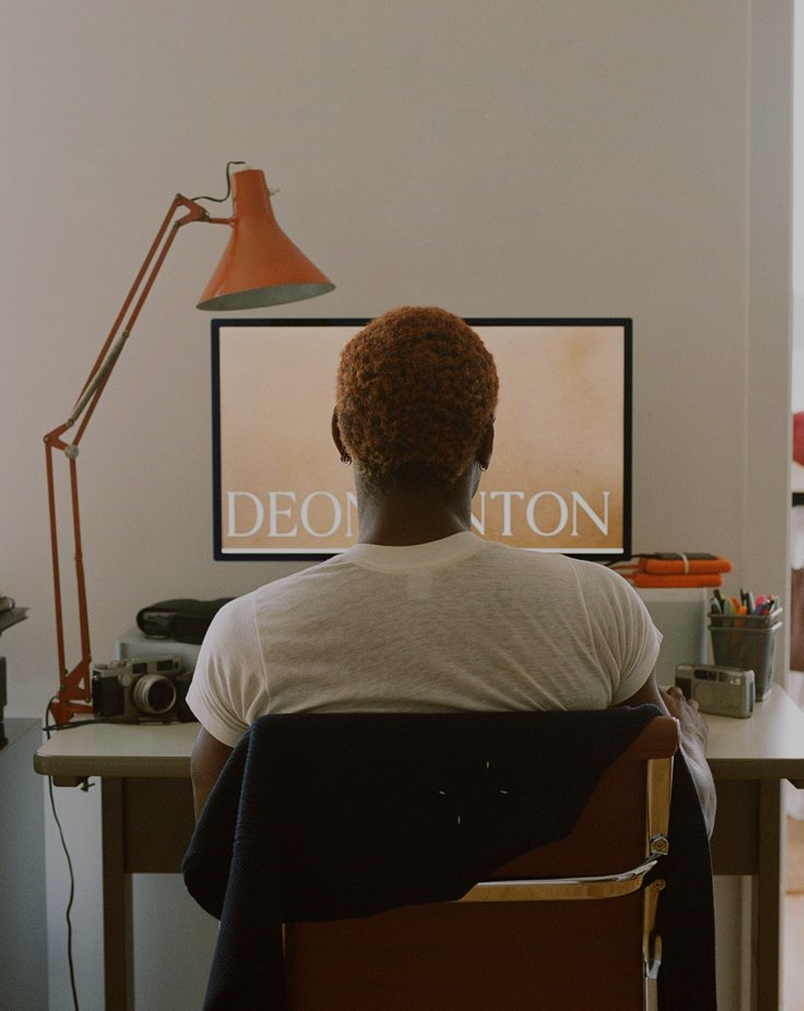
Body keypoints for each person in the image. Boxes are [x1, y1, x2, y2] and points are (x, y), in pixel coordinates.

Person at [187, 305, 715, 833]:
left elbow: (220, 866)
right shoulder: (600, 605)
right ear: (486, 442)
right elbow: (680, 826)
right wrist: (688, 738)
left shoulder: (245, 634)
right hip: (541, 920)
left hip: (341, 920)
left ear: (339, 436)